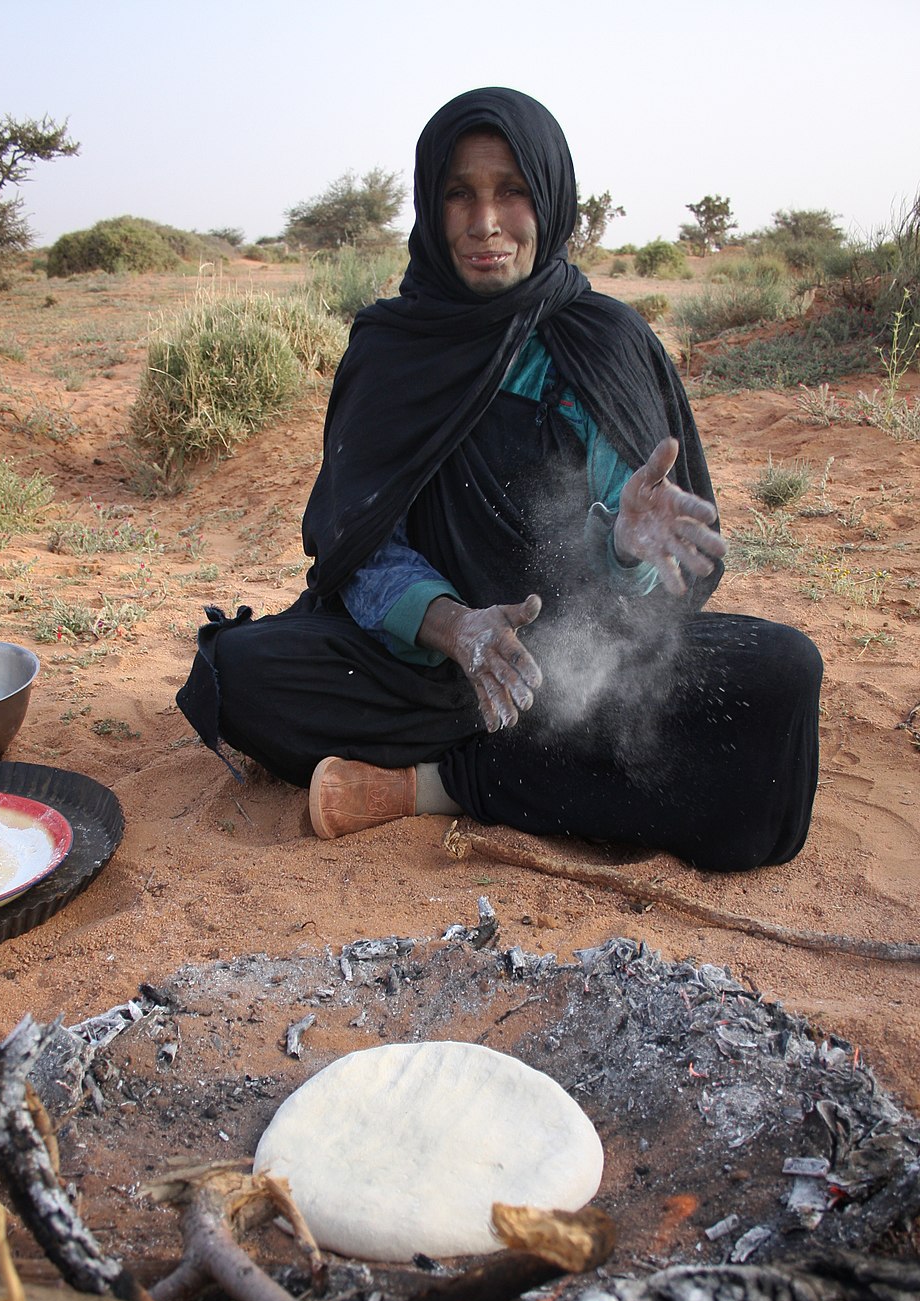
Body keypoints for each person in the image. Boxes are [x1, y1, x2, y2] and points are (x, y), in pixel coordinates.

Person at [177, 86, 822, 873]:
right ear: (430, 204)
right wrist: (456, 627)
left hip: (577, 665)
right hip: (432, 665)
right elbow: (364, 551)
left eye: (511, 190)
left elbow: (643, 595)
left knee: (783, 675)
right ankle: (540, 770)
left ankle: (439, 784)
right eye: (460, 194)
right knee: (240, 677)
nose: (485, 222)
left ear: (548, 197)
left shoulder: (605, 340)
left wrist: (624, 550)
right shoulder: (391, 349)